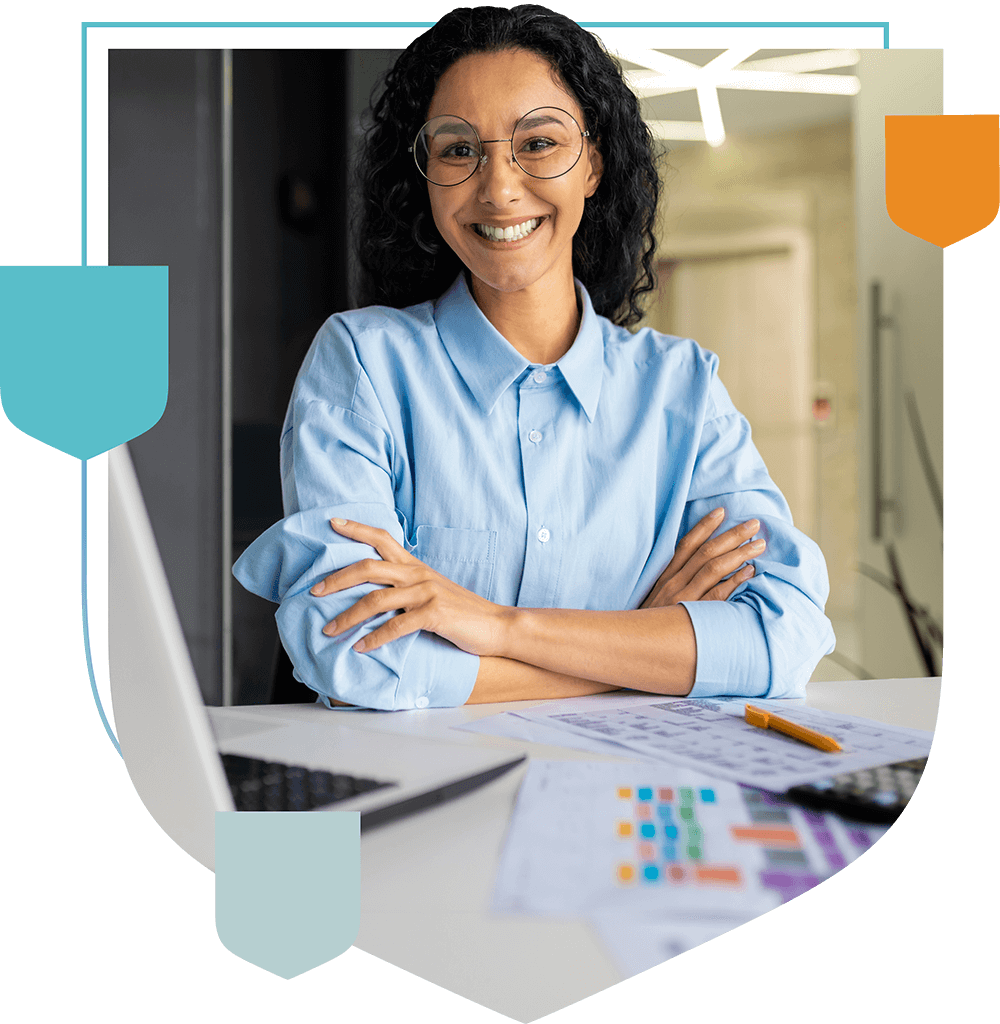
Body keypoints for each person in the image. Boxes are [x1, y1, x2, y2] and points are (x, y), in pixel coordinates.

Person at [233, 5, 835, 711]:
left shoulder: (683, 391)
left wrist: (497, 627)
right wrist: (638, 643)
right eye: (459, 150)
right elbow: (358, 656)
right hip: (430, 804)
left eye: (539, 143)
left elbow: (783, 638)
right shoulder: (363, 364)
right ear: (424, 178)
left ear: (594, 163)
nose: (498, 186)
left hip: (626, 799)